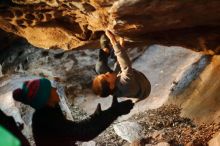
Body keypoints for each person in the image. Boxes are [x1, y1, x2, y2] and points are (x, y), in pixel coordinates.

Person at [12, 78, 134, 146]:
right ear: (46, 97)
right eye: (51, 88)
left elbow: (73, 130)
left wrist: (95, 117)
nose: (55, 89)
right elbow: (83, 133)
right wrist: (114, 112)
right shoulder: (46, 118)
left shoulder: (49, 110)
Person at [92, 30, 151, 101]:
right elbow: (125, 64)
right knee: (121, 61)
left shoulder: (109, 87)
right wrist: (113, 41)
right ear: (111, 86)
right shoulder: (126, 84)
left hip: (119, 79)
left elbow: (109, 76)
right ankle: (115, 53)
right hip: (144, 87)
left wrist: (120, 47)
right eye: (106, 76)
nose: (107, 73)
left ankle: (106, 49)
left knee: (99, 68)